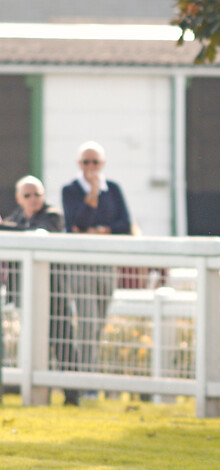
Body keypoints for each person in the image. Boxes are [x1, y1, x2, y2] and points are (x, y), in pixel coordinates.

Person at [2, 176, 79, 405]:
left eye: (37, 194)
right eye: (27, 195)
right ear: (19, 198)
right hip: (26, 294)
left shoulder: (53, 215)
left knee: (63, 342)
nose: (33, 199)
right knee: (34, 344)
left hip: (54, 294)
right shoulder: (15, 217)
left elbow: (32, 232)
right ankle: (39, 396)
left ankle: (72, 397)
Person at [62, 141, 132, 373]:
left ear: (102, 163)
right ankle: (84, 375)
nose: (90, 166)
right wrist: (92, 194)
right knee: (87, 321)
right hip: (81, 263)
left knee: (99, 321)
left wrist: (103, 230)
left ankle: (89, 372)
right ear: (79, 163)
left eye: (95, 162)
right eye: (86, 162)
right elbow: (76, 223)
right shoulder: (70, 190)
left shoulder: (112, 188)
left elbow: (125, 224)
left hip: (106, 261)